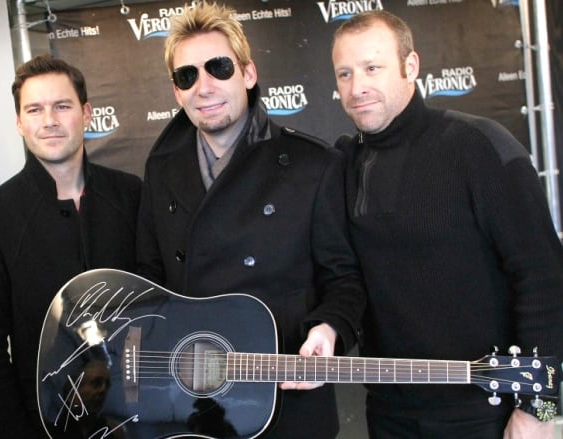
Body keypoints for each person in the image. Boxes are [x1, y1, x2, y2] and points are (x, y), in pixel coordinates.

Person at [136, 2, 366, 438]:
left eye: (218, 67)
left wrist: (330, 327)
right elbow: (149, 276)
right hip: (191, 403)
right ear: (176, 92)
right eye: (187, 75)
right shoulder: (160, 168)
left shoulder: (311, 165)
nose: (203, 87)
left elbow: (344, 279)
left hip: (285, 403)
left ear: (248, 74)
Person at [331, 10, 563, 439]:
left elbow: (545, 278)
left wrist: (540, 409)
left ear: (411, 66)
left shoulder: (479, 146)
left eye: (372, 68)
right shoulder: (344, 165)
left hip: (487, 410)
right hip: (390, 413)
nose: (357, 87)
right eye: (344, 73)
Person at [0, 54, 141, 438]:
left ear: (87, 113)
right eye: (34, 109)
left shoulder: (133, 196)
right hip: (42, 423)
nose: (49, 120)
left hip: (141, 418)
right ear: (19, 122)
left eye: (62, 106)